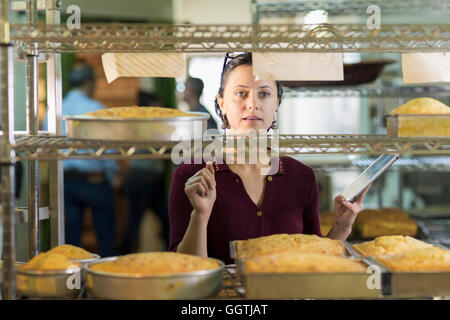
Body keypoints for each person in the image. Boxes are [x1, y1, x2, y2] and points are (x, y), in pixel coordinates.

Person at [168, 53, 369, 264]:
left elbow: (313, 260)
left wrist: (342, 227)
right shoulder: (191, 175)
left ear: (276, 104)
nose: (253, 104)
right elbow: (183, 269)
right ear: (222, 103)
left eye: (264, 94)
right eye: (241, 93)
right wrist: (199, 215)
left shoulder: (302, 177)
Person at [60, 62, 118, 257]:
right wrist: (112, 176)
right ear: (88, 82)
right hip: (95, 181)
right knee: (106, 237)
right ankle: (108, 282)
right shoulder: (95, 108)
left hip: (66, 181)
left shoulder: (58, 109)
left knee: (70, 241)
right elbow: (106, 150)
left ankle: (71, 284)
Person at [121, 91, 170, 253]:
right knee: (135, 224)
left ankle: (168, 253)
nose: (159, 108)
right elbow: (162, 146)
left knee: (166, 221)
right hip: (141, 179)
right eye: (156, 105)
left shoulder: (148, 124)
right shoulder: (145, 124)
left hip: (149, 180)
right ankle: (124, 259)